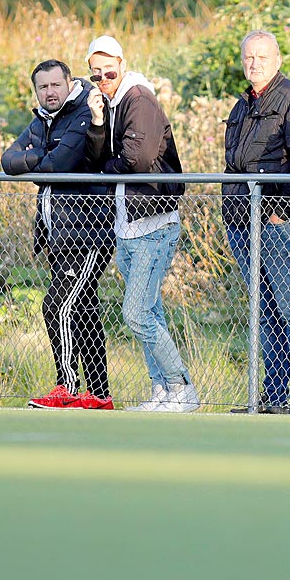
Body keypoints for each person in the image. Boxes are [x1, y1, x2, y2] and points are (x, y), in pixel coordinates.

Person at [85, 35, 195, 412]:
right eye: (95, 74)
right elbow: (100, 155)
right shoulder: (112, 105)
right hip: (127, 225)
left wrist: (106, 170)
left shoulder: (139, 98)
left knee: (136, 312)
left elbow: (139, 158)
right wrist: (98, 122)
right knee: (150, 311)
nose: (103, 79)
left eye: (109, 71)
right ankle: (162, 390)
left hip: (153, 222)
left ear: (123, 64)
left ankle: (181, 388)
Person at [2, 59, 114, 411]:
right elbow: (8, 160)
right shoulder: (41, 120)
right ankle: (99, 393)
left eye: (55, 85)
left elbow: (59, 166)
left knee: (57, 305)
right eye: (43, 87)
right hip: (57, 236)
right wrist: (41, 154)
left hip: (89, 233)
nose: (50, 93)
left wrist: (38, 160)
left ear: (69, 83)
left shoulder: (84, 112)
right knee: (83, 310)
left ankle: (67, 385)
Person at [223, 31, 290, 415]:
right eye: (248, 57)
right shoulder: (241, 105)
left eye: (262, 57)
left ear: (278, 58)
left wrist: (281, 209)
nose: (254, 64)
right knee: (263, 311)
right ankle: (274, 395)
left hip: (280, 222)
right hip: (240, 220)